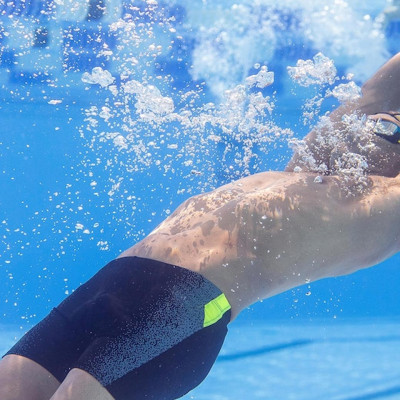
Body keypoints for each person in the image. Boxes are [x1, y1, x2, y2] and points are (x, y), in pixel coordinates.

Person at [2, 53, 400, 400]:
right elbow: (374, 94)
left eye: (390, 129)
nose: (367, 129)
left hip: (186, 305)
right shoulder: (309, 174)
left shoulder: (387, 208)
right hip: (112, 285)